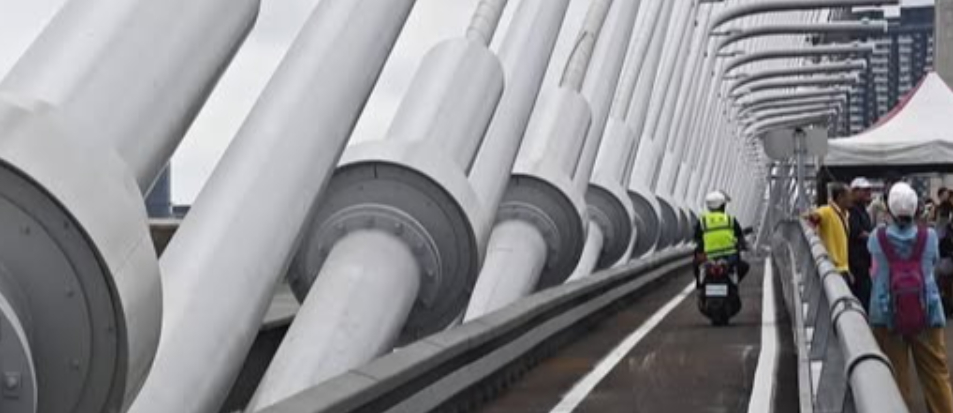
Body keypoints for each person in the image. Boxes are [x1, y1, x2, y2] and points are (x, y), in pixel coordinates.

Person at [868, 182, 953, 412]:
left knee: (896, 378)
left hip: (887, 316)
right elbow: (934, 261)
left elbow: (874, 267)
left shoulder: (877, 237)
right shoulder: (930, 237)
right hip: (928, 313)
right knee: (936, 375)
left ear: (889, 208)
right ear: (917, 208)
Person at [693, 191, 749, 288]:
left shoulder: (703, 221)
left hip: (708, 257)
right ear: (722, 206)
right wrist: (743, 245)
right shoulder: (730, 219)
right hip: (729, 257)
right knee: (744, 266)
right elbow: (740, 237)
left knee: (695, 264)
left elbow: (697, 239)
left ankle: (700, 284)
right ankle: (734, 285)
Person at [807, 182, 852, 279]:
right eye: (849, 196)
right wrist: (813, 221)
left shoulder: (845, 215)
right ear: (840, 197)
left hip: (843, 269)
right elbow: (814, 217)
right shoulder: (827, 211)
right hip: (833, 269)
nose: (851, 199)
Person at [848, 178, 874, 311]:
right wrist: (874, 237)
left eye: (869, 190)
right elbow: (856, 232)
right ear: (854, 192)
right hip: (856, 264)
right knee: (861, 296)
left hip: (865, 262)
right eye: (864, 190)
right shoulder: (852, 211)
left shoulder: (864, 211)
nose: (868, 193)